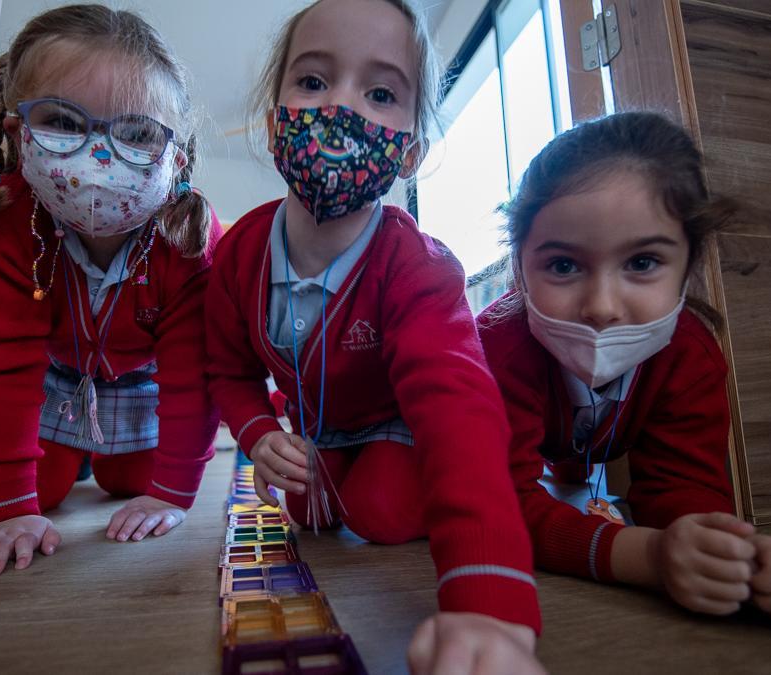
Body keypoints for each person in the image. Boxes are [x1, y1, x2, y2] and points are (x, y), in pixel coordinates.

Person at [204, 1, 545, 671]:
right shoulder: (241, 253)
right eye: (312, 82)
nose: (341, 109)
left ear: (411, 151)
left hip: (394, 424)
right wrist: (256, 433)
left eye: (381, 92)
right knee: (307, 510)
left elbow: (458, 414)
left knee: (383, 510)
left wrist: (487, 601)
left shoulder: (418, 267)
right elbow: (225, 368)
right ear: (276, 125)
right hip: (319, 429)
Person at [479, 111, 771, 628]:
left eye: (642, 263)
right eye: (562, 265)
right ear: (519, 265)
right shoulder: (495, 348)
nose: (602, 307)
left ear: (688, 266)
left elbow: (684, 487)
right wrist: (647, 557)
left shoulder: (690, 355)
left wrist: (727, 555)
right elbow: (496, 503)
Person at [0, 4, 221, 577]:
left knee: (130, 481)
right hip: (56, 372)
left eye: (135, 134)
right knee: (46, 490)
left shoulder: (187, 241)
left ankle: (96, 454)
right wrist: (6, 511)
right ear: (16, 133)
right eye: (62, 122)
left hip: (139, 375)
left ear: (176, 157)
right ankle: (72, 452)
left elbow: (193, 376)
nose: (99, 157)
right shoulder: (3, 227)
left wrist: (172, 495)